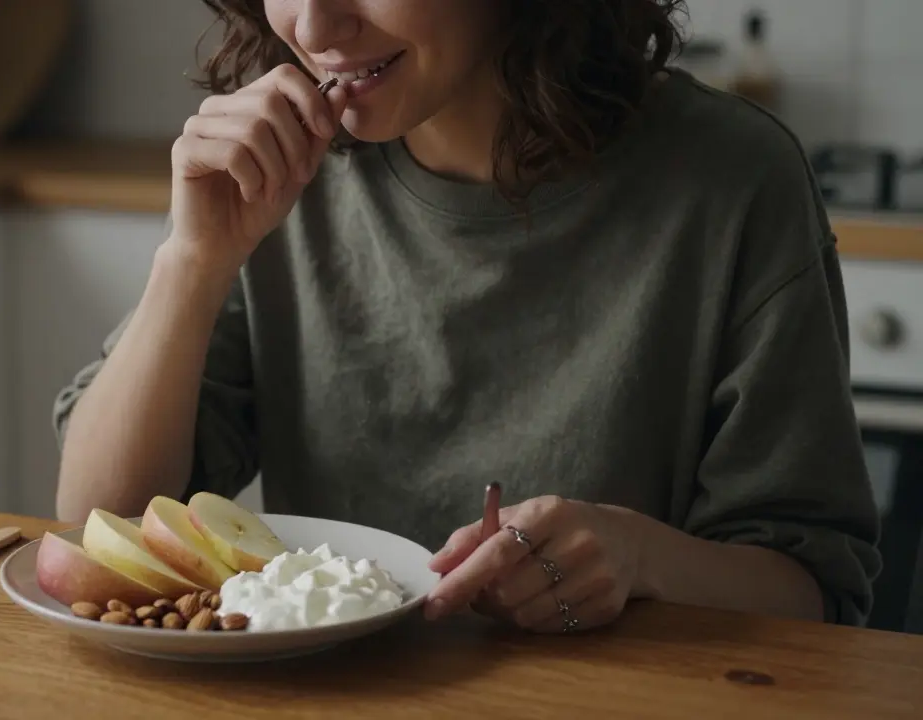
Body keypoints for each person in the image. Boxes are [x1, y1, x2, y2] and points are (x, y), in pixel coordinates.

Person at [52, 0, 882, 633]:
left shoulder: (736, 181)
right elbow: (100, 523)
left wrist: (640, 555)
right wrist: (190, 264)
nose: (314, 24)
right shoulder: (275, 175)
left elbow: (817, 592)